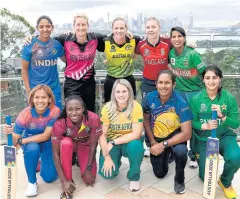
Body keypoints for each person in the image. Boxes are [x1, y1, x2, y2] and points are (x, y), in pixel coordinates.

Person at [189, 65, 240, 199]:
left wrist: (222, 116)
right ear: (203, 80)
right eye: (207, 78)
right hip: (204, 139)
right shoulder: (196, 99)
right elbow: (191, 122)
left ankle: (225, 182)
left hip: (223, 136)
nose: (211, 81)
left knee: (235, 157)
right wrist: (203, 126)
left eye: (214, 78)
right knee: (205, 176)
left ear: (220, 79)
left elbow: (236, 123)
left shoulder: (228, 98)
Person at [3, 85, 60, 197]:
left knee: (50, 178)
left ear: (49, 99)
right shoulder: (25, 114)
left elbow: (45, 136)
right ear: (32, 99)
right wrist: (8, 134)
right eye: (37, 97)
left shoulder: (55, 111)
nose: (40, 101)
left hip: (46, 142)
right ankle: (32, 182)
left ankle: (39, 161)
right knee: (33, 149)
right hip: (31, 144)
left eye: (43, 97)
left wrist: (22, 141)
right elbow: (14, 138)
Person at [142, 70, 192, 194]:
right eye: (161, 82)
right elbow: (146, 121)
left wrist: (163, 145)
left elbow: (187, 134)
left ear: (173, 84)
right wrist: (153, 142)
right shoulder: (149, 98)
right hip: (157, 136)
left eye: (167, 83)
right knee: (159, 174)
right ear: (156, 84)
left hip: (175, 135)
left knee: (181, 152)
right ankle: (168, 153)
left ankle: (179, 179)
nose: (163, 86)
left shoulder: (181, 102)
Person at [169, 26, 206, 168]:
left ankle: (194, 155)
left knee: (195, 125)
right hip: (178, 93)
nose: (176, 39)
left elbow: (205, 72)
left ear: (184, 38)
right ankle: (177, 152)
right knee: (178, 124)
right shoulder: (171, 53)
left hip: (195, 93)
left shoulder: (193, 54)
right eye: (174, 36)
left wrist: (204, 94)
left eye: (180, 36)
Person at [52, 95, 102, 199]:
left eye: (78, 109)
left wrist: (88, 168)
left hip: (86, 145)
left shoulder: (93, 119)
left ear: (83, 108)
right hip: (71, 145)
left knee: (90, 180)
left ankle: (81, 161)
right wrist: (63, 181)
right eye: (70, 109)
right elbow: (56, 154)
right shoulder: (60, 123)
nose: (74, 113)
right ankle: (68, 180)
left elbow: (93, 145)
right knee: (65, 143)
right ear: (65, 110)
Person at [98, 79, 144, 192]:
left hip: (129, 141)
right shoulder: (107, 108)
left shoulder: (136, 107)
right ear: (113, 93)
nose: (121, 94)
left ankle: (134, 177)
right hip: (112, 142)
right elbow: (102, 135)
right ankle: (115, 160)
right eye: (118, 92)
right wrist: (107, 157)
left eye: (124, 91)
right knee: (107, 175)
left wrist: (114, 142)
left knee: (136, 147)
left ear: (129, 92)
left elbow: (137, 133)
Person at [21, 15, 65, 110]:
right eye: (41, 27)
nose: (45, 29)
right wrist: (28, 90)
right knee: (37, 119)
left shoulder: (56, 45)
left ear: (52, 27)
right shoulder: (29, 44)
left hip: (54, 89)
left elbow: (68, 61)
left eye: (48, 26)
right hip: (36, 90)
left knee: (56, 116)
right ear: (37, 28)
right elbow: (24, 69)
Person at [100, 17, 141, 102]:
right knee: (110, 108)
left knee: (130, 107)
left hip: (128, 78)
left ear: (126, 29)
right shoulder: (105, 41)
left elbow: (145, 44)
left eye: (122, 28)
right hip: (111, 79)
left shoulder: (134, 40)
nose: (119, 31)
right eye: (116, 28)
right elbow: (88, 38)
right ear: (112, 29)